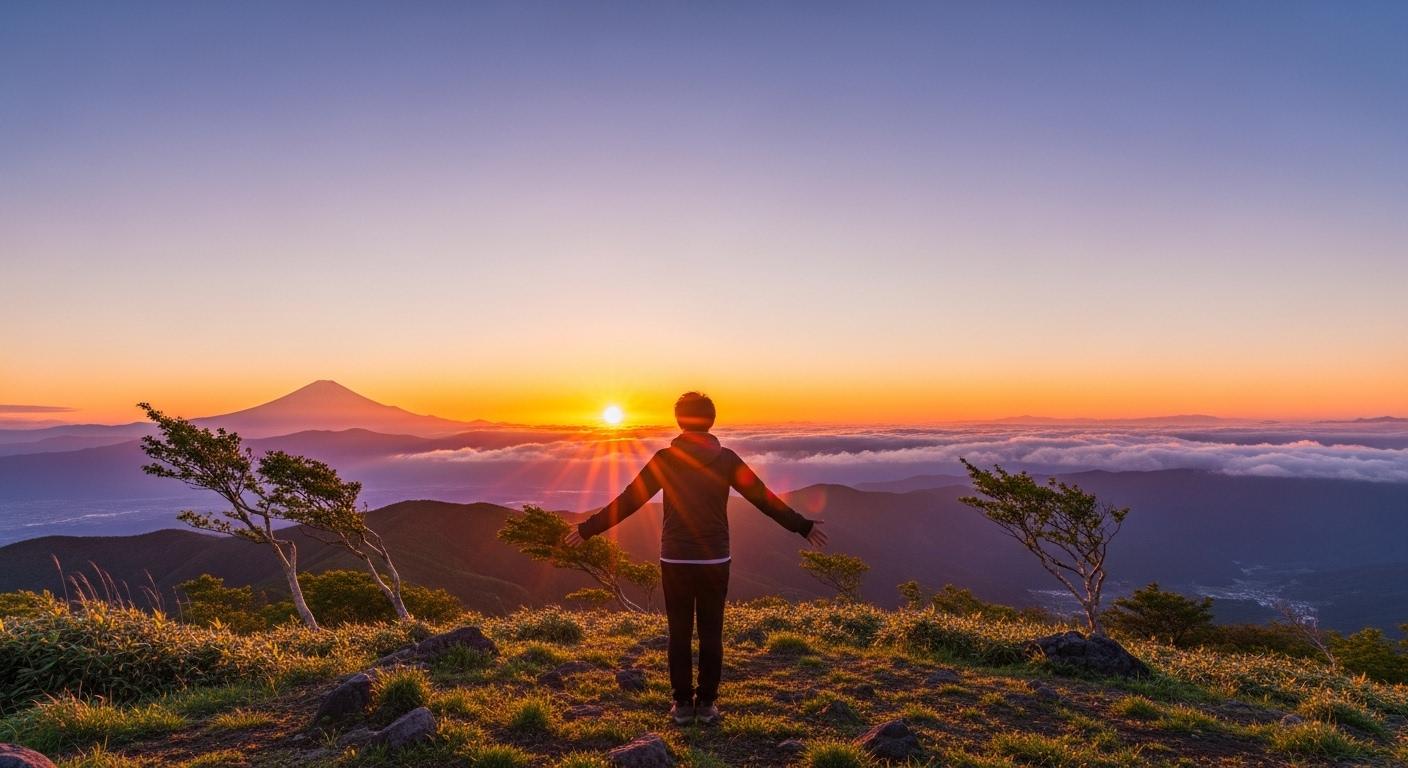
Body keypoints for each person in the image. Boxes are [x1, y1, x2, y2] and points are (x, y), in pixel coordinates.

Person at [565, 392, 828, 725]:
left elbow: (629, 500)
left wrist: (588, 529)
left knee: (679, 632)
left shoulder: (665, 459)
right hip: (715, 559)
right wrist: (801, 526)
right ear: (711, 420)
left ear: (679, 421)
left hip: (675, 559)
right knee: (711, 632)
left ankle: (682, 706)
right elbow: (762, 497)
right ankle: (706, 705)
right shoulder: (727, 459)